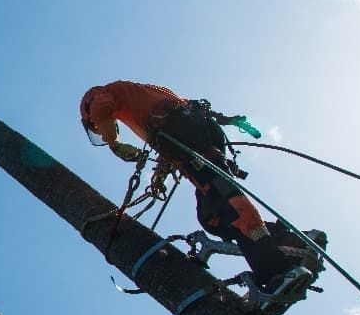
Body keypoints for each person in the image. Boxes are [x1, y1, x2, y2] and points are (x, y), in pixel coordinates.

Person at [79, 80, 314, 302]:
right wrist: (159, 176)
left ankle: (277, 273)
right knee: (211, 216)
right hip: (198, 140)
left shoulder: (104, 96)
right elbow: (167, 129)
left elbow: (102, 108)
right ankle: (287, 243)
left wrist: (114, 143)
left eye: (96, 128)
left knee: (228, 206)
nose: (100, 130)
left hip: (189, 141)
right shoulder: (140, 95)